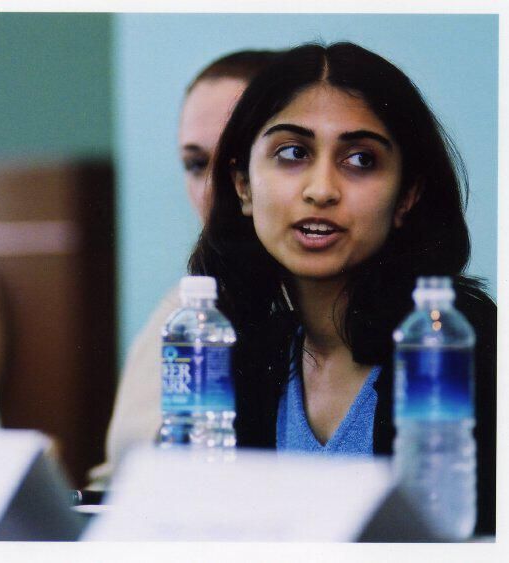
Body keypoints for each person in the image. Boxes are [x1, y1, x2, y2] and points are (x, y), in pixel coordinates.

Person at [188, 42, 495, 535]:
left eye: (360, 160)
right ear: (243, 184)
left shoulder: (463, 347)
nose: (321, 190)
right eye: (293, 153)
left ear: (407, 195)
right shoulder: (239, 351)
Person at [89, 50, 279, 485]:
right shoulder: (189, 310)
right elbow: (118, 474)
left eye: (239, 161)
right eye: (196, 164)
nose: (215, 190)